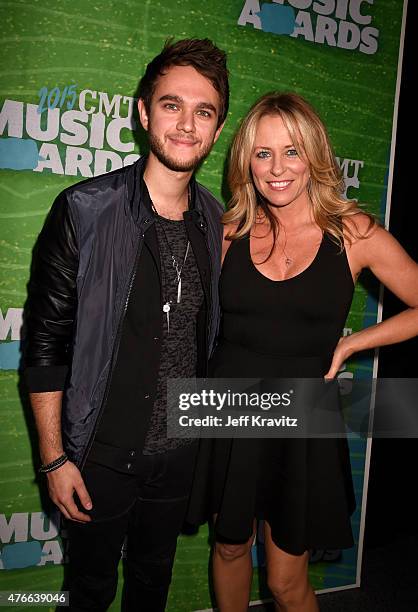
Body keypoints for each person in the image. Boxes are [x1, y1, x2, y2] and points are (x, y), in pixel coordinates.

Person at [187, 92, 418, 612]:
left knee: (285, 581)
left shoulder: (354, 232)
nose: (276, 169)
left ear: (315, 154)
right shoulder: (228, 232)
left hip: (305, 414)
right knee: (228, 548)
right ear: (246, 160)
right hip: (228, 405)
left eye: (291, 151)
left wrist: (353, 343)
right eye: (262, 153)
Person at [23, 38, 228, 611]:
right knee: (87, 593)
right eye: (171, 105)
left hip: (180, 459)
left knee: (151, 587)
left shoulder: (220, 225)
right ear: (143, 111)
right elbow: (46, 345)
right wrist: (54, 458)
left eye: (204, 111)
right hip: (99, 458)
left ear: (217, 129)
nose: (186, 124)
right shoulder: (84, 210)